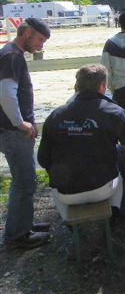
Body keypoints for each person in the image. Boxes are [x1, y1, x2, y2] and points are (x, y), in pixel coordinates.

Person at [38, 64, 125, 218]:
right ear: (102, 86)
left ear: (77, 86)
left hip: (64, 192)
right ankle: (119, 211)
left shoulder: (56, 115)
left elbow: (43, 159)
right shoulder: (112, 111)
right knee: (122, 155)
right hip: (102, 188)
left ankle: (70, 222)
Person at [0, 18, 51, 249]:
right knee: (24, 181)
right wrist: (21, 123)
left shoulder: (12, 54)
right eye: (39, 39)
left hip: (11, 130)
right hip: (12, 132)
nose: (40, 45)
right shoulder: (12, 56)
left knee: (25, 180)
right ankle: (17, 236)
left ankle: (24, 225)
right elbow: (6, 93)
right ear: (28, 32)